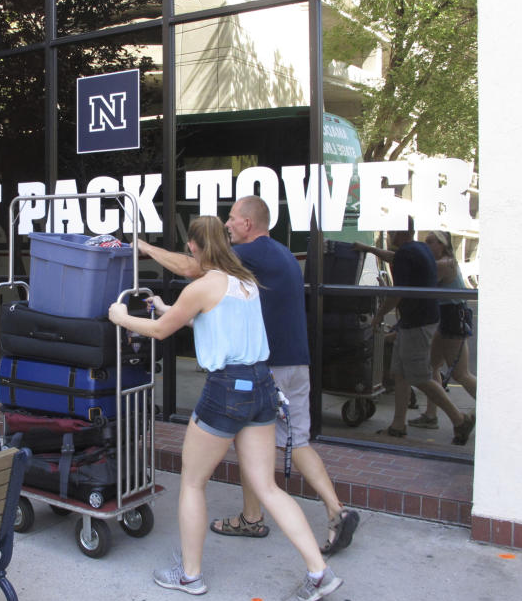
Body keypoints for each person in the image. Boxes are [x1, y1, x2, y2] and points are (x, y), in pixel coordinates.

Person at [110, 216, 343, 601]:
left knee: (193, 482)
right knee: (267, 486)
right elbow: (213, 320)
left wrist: (121, 317)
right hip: (262, 386)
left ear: (194, 248)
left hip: (225, 390)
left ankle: (189, 575)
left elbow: (159, 330)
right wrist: (169, 306)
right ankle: (319, 572)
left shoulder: (201, 287)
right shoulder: (246, 282)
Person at [138, 195, 359, 556]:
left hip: (263, 367)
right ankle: (336, 510)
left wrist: (145, 247)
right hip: (295, 364)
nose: (226, 225)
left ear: (249, 224)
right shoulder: (281, 252)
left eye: (232, 218)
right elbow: (220, 317)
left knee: (247, 445)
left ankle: (253, 519)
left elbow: (196, 269)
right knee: (295, 442)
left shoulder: (249, 256)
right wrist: (170, 310)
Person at [354, 221, 475, 445]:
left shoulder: (408, 254)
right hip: (422, 320)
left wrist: (380, 316)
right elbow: (393, 257)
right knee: (400, 373)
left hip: (417, 323)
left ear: (398, 233)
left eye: (391, 231)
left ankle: (459, 419)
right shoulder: (418, 249)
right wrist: (370, 249)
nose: (389, 235)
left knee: (421, 376)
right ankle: (398, 426)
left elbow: (397, 293)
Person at [409, 231, 477, 430]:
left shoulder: (443, 265)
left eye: (431, 242)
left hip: (451, 318)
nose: (426, 245)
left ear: (442, 245)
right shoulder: (446, 262)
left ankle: (494, 408)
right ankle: (431, 415)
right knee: (431, 368)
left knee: (460, 373)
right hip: (447, 318)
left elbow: (422, 287)